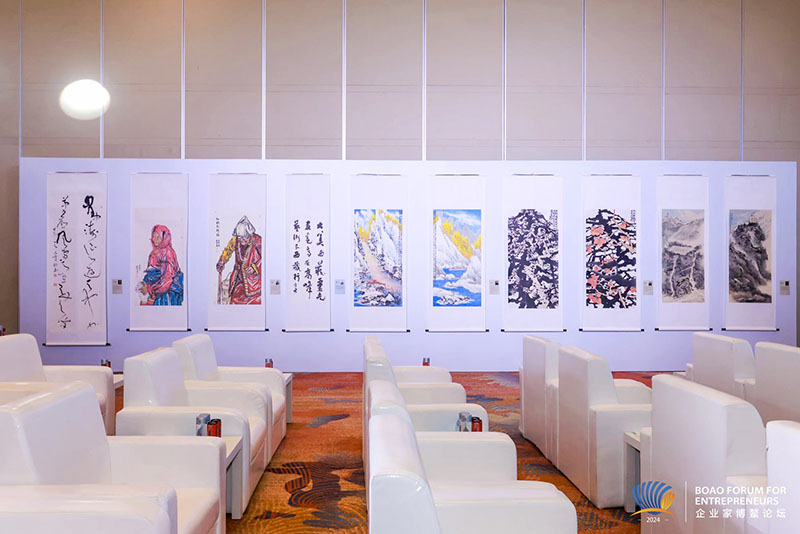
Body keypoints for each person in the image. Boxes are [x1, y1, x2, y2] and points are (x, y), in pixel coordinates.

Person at [217, 216, 262, 305]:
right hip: (239, 280)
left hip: (254, 283)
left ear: (249, 235)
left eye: (244, 237)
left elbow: (265, 259)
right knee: (235, 300)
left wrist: (255, 267)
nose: (241, 240)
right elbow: (228, 250)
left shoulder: (258, 241)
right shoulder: (236, 240)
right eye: (239, 237)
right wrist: (222, 261)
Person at [139, 224, 183, 306]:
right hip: (154, 289)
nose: (155, 240)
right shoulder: (154, 252)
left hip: (164, 292)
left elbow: (167, 279)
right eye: (153, 237)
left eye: (158, 237)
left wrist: (150, 289)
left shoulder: (167, 253)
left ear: (165, 238)